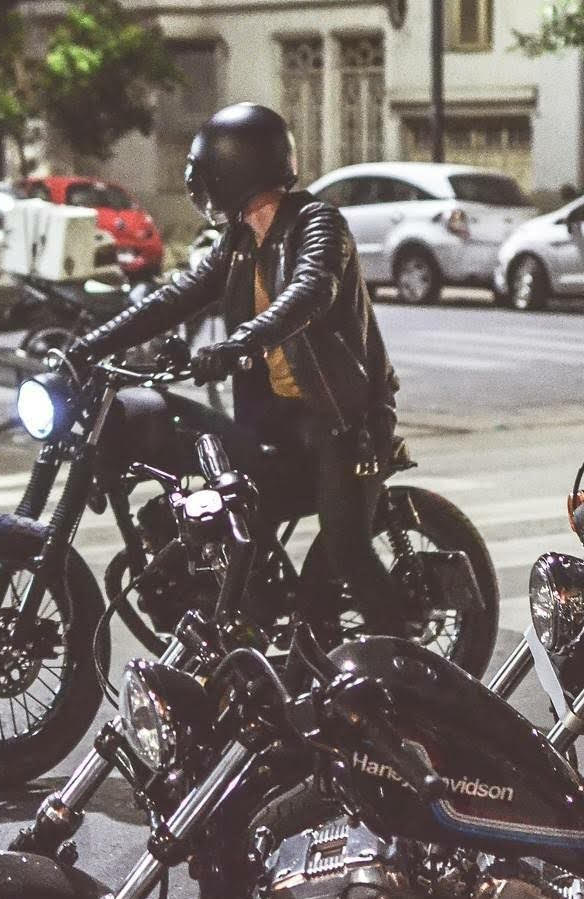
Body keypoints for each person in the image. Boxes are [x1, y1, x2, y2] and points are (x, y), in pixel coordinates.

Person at [65, 102, 403, 629]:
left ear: (230, 170)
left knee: (347, 552)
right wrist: (87, 348)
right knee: (214, 494)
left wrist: (236, 344)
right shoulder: (239, 243)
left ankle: (402, 648)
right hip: (274, 420)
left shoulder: (318, 224)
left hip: (341, 423)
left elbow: (310, 291)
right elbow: (172, 299)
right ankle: (245, 609)